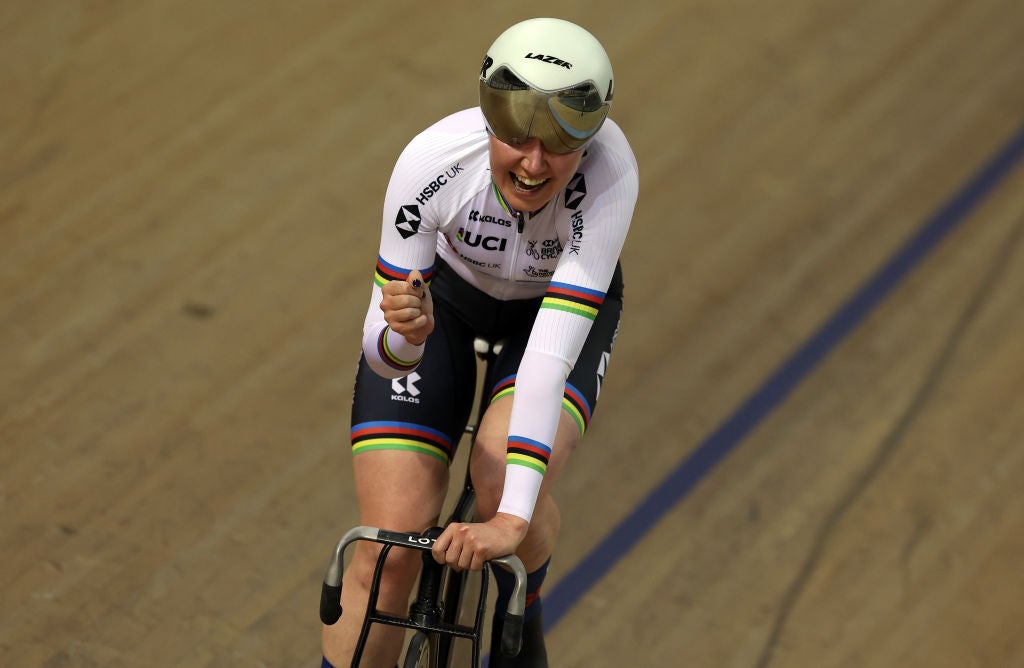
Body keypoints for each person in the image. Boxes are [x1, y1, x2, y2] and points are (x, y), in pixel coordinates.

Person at [322, 16, 638, 668]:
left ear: (594, 134)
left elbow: (550, 355)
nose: (533, 162)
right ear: (488, 116)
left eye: (560, 142)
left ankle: (529, 602)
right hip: (451, 305)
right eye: (518, 134)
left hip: (550, 318)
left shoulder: (609, 177)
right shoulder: (432, 162)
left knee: (501, 480)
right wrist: (406, 337)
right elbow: (384, 350)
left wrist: (511, 522)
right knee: (384, 556)